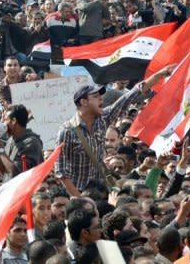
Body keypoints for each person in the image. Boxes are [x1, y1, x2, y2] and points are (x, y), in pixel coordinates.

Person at [55, 65, 173, 195]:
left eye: (101, 96)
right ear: (83, 102)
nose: (101, 98)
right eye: (95, 96)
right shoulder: (67, 131)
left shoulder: (103, 119)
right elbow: (60, 171)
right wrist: (78, 198)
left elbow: (130, 97)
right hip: (78, 195)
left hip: (100, 193)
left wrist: (158, 75)